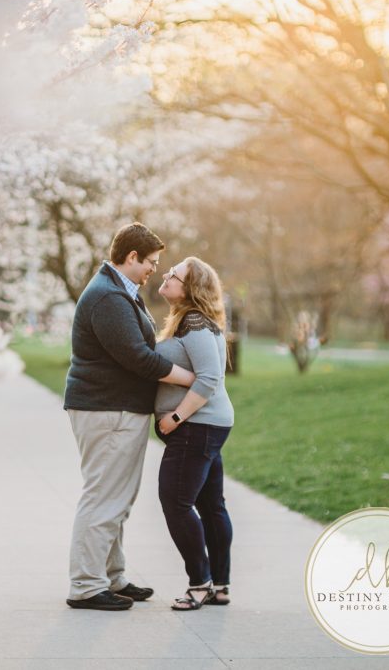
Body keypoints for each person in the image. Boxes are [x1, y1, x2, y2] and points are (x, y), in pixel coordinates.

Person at [63, 223, 196, 611]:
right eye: (152, 262)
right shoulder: (108, 297)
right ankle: (86, 586)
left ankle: (112, 576)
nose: (156, 269)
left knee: (118, 497)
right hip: (106, 409)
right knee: (104, 496)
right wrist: (194, 380)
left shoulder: (119, 291)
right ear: (132, 257)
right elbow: (138, 357)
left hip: (116, 409)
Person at [154, 256, 235, 611]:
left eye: (175, 275)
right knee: (210, 505)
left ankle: (199, 583)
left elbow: (209, 378)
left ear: (191, 288)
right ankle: (219, 585)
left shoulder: (195, 322)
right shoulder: (191, 321)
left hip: (196, 427)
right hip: (207, 425)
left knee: (176, 502)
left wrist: (174, 416)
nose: (166, 276)